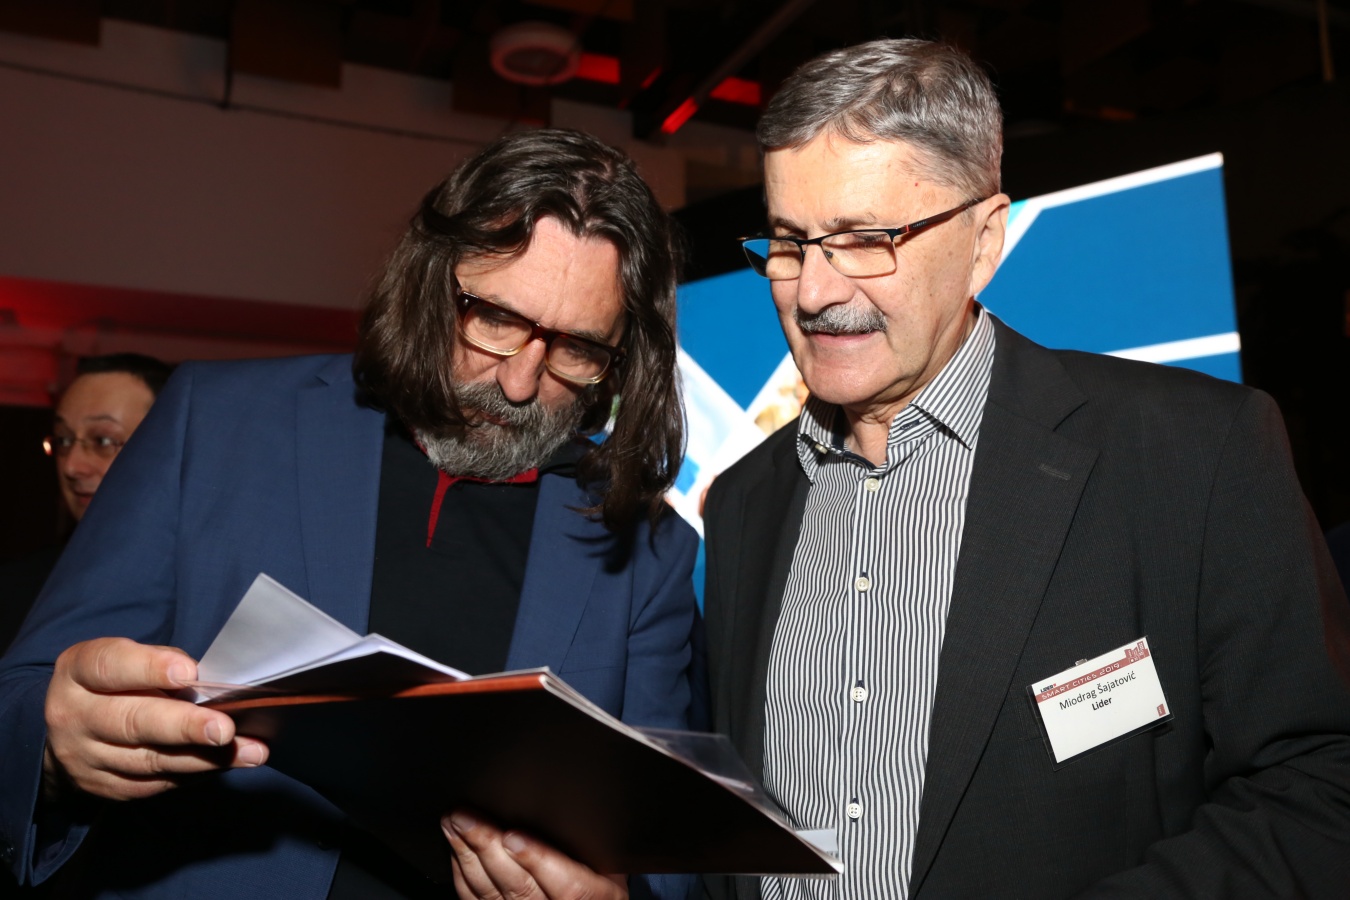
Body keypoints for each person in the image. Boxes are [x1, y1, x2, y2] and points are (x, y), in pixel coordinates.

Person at [701, 39, 1350, 898]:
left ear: (984, 241)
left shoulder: (1195, 452)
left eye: (863, 240)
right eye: (790, 242)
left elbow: (1319, 788)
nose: (813, 291)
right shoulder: (743, 502)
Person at [0, 129, 697, 900]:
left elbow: (664, 847)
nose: (521, 383)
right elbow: (23, 696)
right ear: (429, 278)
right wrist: (53, 748)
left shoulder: (650, 551)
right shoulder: (214, 424)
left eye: (577, 350)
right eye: (495, 318)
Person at [0, 353, 173, 653]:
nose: (72, 466)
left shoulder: (208, 590)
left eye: (103, 441)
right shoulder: (14, 590)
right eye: (64, 440)